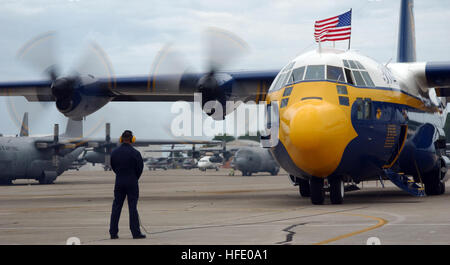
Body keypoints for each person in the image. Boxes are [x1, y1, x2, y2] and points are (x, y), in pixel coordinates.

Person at [109, 130, 146, 239]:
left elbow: (113, 166)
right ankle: (135, 232)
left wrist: (120, 175)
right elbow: (140, 168)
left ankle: (113, 233)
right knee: (132, 207)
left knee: (116, 207)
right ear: (132, 139)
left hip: (119, 181)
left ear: (121, 139)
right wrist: (134, 178)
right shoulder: (135, 153)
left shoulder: (115, 152)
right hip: (132, 182)